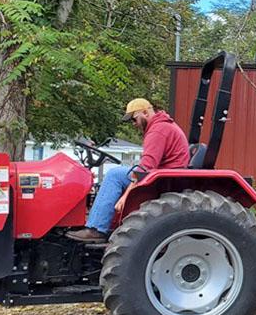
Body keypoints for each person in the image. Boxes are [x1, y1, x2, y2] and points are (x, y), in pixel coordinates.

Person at [67, 98, 189, 242]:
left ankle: (96, 228)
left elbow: (146, 166)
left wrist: (126, 195)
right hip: (164, 173)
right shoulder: (162, 126)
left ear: (145, 112)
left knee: (114, 175)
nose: (134, 124)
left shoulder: (158, 130)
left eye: (134, 119)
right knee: (117, 172)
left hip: (164, 177)